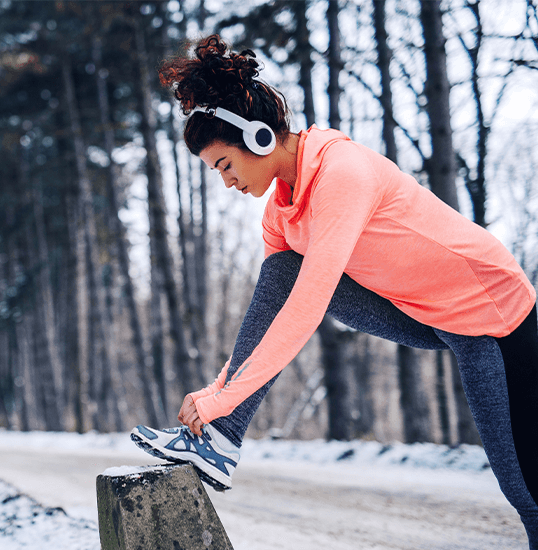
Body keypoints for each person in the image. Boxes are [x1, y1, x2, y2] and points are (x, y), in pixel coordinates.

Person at [130, 34, 538, 547]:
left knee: (522, 486)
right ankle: (223, 439)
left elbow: (309, 305)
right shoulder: (281, 211)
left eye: (225, 165)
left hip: (491, 313)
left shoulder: (342, 173)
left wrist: (224, 394)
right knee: (278, 274)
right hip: (425, 313)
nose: (227, 182)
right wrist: (218, 395)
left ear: (259, 139)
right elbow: (272, 305)